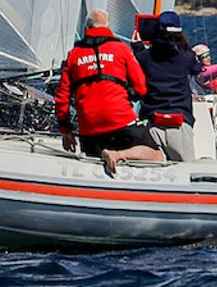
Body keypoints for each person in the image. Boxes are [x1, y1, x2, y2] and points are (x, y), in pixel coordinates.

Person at [55, 9, 163, 175]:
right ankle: (118, 155)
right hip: (120, 120)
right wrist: (127, 95)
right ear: (108, 27)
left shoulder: (73, 55)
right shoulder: (121, 49)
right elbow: (141, 86)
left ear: (86, 29)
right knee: (156, 155)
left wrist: (66, 131)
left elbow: (61, 97)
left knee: (95, 165)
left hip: (89, 127)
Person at [136, 11, 204, 162]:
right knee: (187, 172)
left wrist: (137, 47)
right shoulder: (187, 57)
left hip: (151, 122)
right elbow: (197, 69)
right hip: (179, 122)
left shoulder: (144, 57)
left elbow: (138, 62)